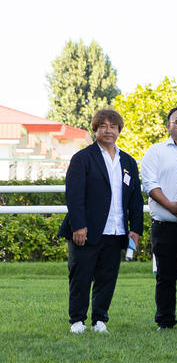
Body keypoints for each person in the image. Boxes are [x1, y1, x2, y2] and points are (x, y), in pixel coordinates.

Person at [60, 108, 143, 333]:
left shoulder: (128, 161)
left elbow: (135, 198)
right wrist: (78, 225)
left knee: (107, 277)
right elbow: (74, 195)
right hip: (87, 230)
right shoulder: (83, 158)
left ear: (119, 130)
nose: (108, 130)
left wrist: (135, 229)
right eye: (103, 126)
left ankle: (100, 320)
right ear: (95, 129)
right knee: (81, 276)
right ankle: (77, 320)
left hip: (116, 231)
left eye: (113, 126)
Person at [141, 105, 177, 330]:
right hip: (165, 225)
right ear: (169, 126)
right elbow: (150, 184)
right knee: (165, 277)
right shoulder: (155, 151)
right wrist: (170, 206)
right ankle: (165, 322)